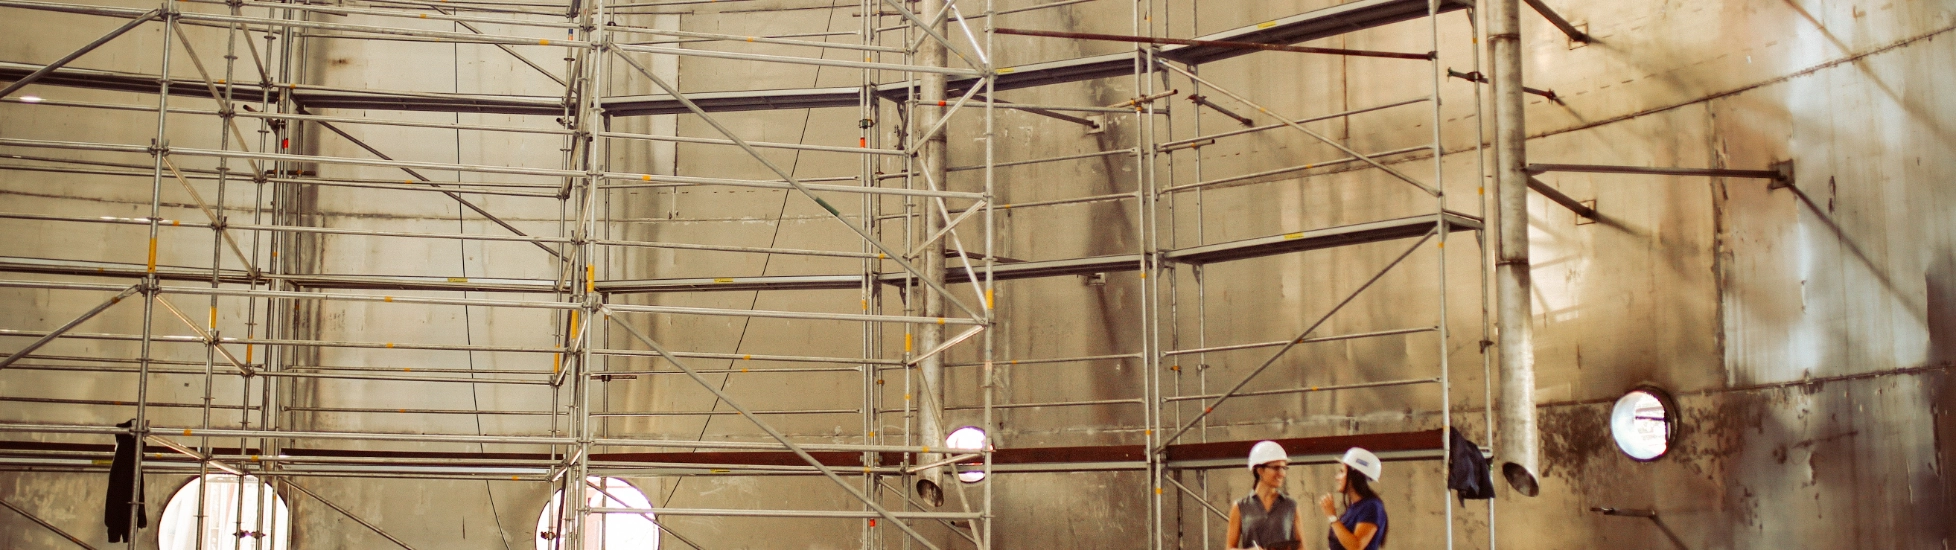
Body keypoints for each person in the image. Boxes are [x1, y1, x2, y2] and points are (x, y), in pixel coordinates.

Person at [1227, 441, 1305, 550]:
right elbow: (1229, 547)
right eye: (1276, 468)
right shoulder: (1240, 506)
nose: (1282, 473)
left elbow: (1301, 547)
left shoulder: (1291, 505)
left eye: (1284, 468)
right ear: (1260, 470)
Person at [1318, 447, 1388, 550]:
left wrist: (1332, 517)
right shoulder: (1354, 508)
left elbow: (1356, 546)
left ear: (1355, 475)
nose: (1337, 477)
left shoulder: (1372, 506)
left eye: (1342, 471)